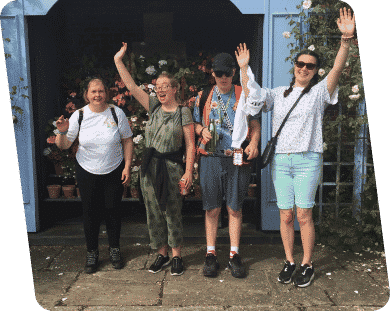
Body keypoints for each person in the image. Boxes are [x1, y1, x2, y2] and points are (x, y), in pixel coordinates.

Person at [235, 8, 355, 287]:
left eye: (310, 66)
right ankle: (289, 260)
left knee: (304, 213)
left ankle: (307, 263)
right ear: (294, 66)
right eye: (300, 63)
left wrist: (345, 41)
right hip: (281, 161)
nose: (304, 68)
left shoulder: (318, 94)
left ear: (315, 71)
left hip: (307, 159)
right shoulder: (278, 94)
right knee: (286, 214)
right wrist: (243, 69)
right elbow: (252, 95)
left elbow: (336, 70)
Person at [114, 42, 196, 276]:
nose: (159, 90)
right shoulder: (153, 106)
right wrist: (118, 61)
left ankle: (177, 255)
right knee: (153, 213)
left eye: (164, 87)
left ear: (174, 89)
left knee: (173, 212)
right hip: (150, 169)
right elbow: (129, 85)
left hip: (171, 169)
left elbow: (190, 144)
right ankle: (161, 253)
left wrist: (189, 171)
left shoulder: (183, 112)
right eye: (157, 86)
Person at [193, 52, 261, 278]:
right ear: (212, 74)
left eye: (228, 73)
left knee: (234, 207)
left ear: (233, 73)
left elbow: (254, 121)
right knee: (212, 208)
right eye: (219, 73)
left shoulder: (243, 93)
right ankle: (210, 254)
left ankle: (234, 254)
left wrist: (254, 141)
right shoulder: (203, 96)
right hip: (211, 158)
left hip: (237, 158)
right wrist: (201, 130)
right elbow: (193, 124)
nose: (223, 77)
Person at [55, 77, 134, 274]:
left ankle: (115, 250)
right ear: (87, 95)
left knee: (113, 211)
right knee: (90, 213)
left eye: (100, 91)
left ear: (106, 93)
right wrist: (62, 132)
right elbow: (64, 145)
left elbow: (128, 140)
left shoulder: (117, 112)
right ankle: (92, 253)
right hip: (87, 170)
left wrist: (127, 166)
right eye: (93, 92)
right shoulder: (79, 116)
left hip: (114, 169)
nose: (97, 95)